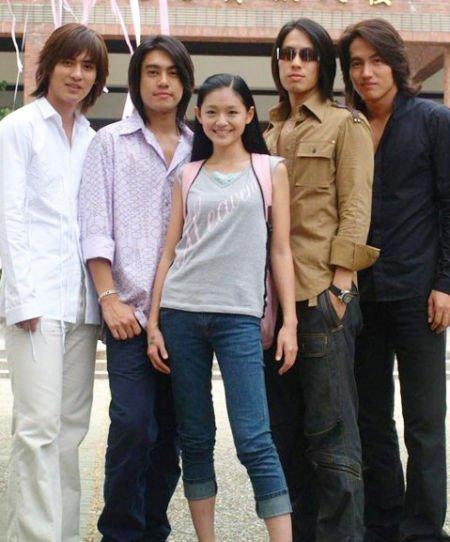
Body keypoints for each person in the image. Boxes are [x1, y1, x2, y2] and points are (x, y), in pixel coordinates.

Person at [147, 73, 297, 542]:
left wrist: (289, 322)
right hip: (181, 313)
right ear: (199, 116)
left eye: (232, 111)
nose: (222, 121)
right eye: (211, 112)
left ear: (249, 114)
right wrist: (153, 322)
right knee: (195, 439)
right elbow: (169, 252)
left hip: (239, 318)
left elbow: (281, 250)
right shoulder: (187, 175)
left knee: (255, 439)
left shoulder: (270, 170)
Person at [263, 18, 379, 542]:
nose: (295, 63)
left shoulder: (344, 125)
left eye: (307, 55)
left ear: (323, 65)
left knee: (332, 440)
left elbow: (355, 208)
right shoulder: (266, 132)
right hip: (270, 306)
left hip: (319, 300)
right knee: (283, 436)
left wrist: (341, 287)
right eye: (287, 54)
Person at [78, 35, 194, 541]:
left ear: (185, 82)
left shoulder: (201, 147)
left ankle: (153, 529)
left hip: (185, 318)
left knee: (171, 435)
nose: (162, 81)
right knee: (133, 425)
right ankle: (121, 532)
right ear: (137, 80)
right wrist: (109, 298)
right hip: (129, 315)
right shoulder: (109, 143)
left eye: (172, 72)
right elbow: (94, 225)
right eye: (152, 71)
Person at [339, 18, 450, 542]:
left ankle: (423, 529)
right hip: (362, 294)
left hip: (419, 293)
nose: (367, 72)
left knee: (424, 421)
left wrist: (446, 282)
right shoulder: (349, 127)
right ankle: (383, 522)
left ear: (397, 64)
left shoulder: (433, 121)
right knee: (372, 417)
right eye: (357, 63)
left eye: (377, 60)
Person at [0, 23, 108, 542]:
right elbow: (10, 217)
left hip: (81, 305)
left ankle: (59, 534)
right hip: (36, 301)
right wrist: (22, 296)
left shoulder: (92, 140)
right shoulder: (19, 128)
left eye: (88, 67)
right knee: (37, 428)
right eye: (69, 62)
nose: (77, 74)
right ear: (49, 67)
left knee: (69, 432)